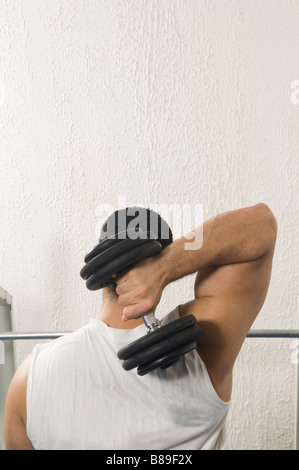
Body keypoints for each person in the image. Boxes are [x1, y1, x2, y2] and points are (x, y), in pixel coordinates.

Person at [4, 203, 277, 450]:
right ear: (159, 256)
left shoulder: (29, 378)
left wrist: (162, 265)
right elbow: (262, 225)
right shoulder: (205, 349)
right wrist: (168, 265)